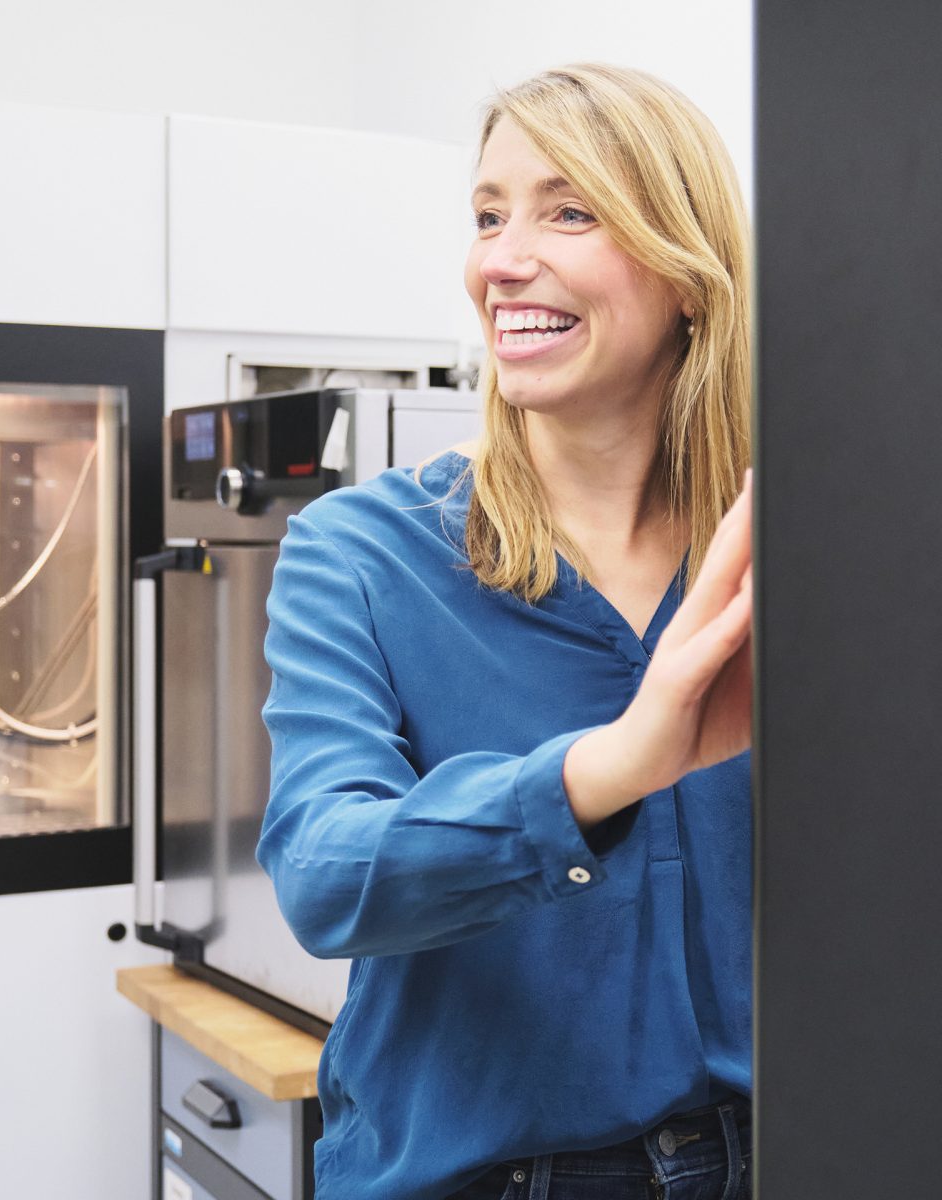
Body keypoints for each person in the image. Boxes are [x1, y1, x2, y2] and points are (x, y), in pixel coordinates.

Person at [257, 62, 754, 1200]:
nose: (502, 259)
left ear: (687, 270)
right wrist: (608, 768)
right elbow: (327, 873)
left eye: (567, 211)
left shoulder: (784, 543)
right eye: (488, 216)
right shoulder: (364, 550)